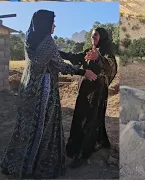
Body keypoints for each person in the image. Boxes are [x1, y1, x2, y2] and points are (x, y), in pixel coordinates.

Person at [0, 10, 96, 179]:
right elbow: (60, 65)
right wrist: (83, 72)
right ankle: (40, 167)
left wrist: (78, 57)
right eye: (52, 22)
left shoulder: (29, 39)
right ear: (45, 24)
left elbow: (55, 57)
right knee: (45, 127)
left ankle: (19, 164)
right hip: (44, 92)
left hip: (28, 89)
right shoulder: (48, 43)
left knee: (26, 128)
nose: (54, 25)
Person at [58, 27, 118, 168]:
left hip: (97, 93)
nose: (93, 38)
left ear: (102, 37)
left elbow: (112, 67)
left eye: (95, 35)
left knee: (90, 120)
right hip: (85, 91)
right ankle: (78, 147)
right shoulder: (88, 51)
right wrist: (58, 53)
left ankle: (83, 153)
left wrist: (99, 58)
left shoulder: (107, 53)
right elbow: (74, 57)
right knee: (80, 117)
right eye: (91, 35)